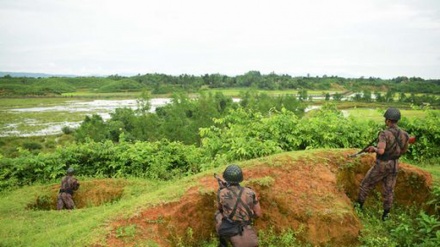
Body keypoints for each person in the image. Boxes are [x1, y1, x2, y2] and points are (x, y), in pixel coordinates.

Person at [356, 108, 410, 220]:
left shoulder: (384, 134)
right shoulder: (405, 134)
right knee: (389, 191)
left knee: (366, 184)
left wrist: (373, 149)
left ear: (388, 121)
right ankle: (386, 216)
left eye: (386, 119)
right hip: (395, 164)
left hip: (382, 164)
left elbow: (381, 151)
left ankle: (358, 207)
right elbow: (404, 150)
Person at [215, 164, 262, 247]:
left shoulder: (221, 193)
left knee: (217, 214)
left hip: (231, 224)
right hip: (246, 223)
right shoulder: (250, 192)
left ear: (226, 178)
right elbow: (258, 213)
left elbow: (219, 208)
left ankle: (223, 242)